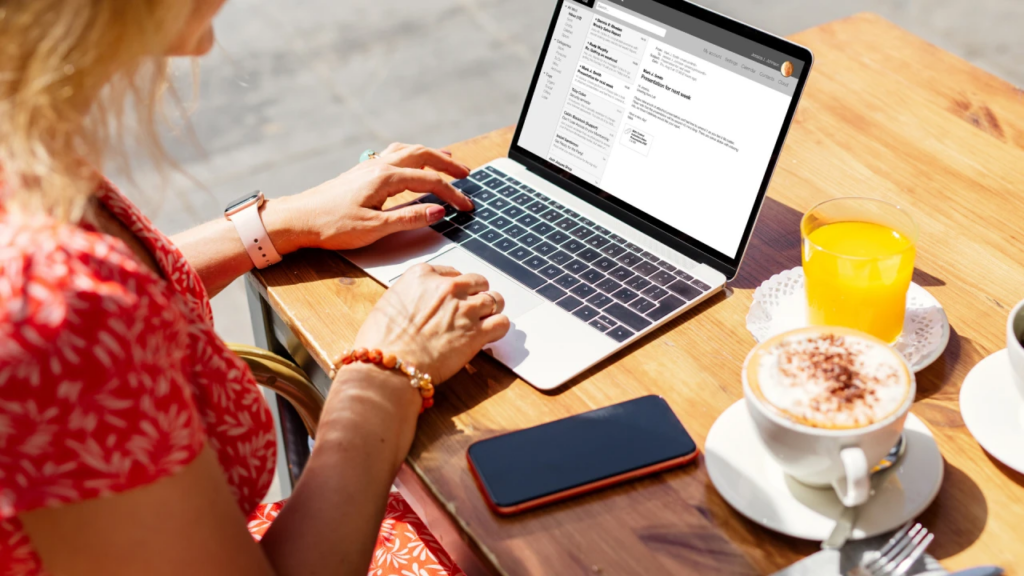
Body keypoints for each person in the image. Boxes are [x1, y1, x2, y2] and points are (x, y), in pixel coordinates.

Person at [0, 1, 510, 575]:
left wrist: (276, 225)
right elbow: (71, 320)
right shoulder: (48, 303)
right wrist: (385, 373)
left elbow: (111, 294)